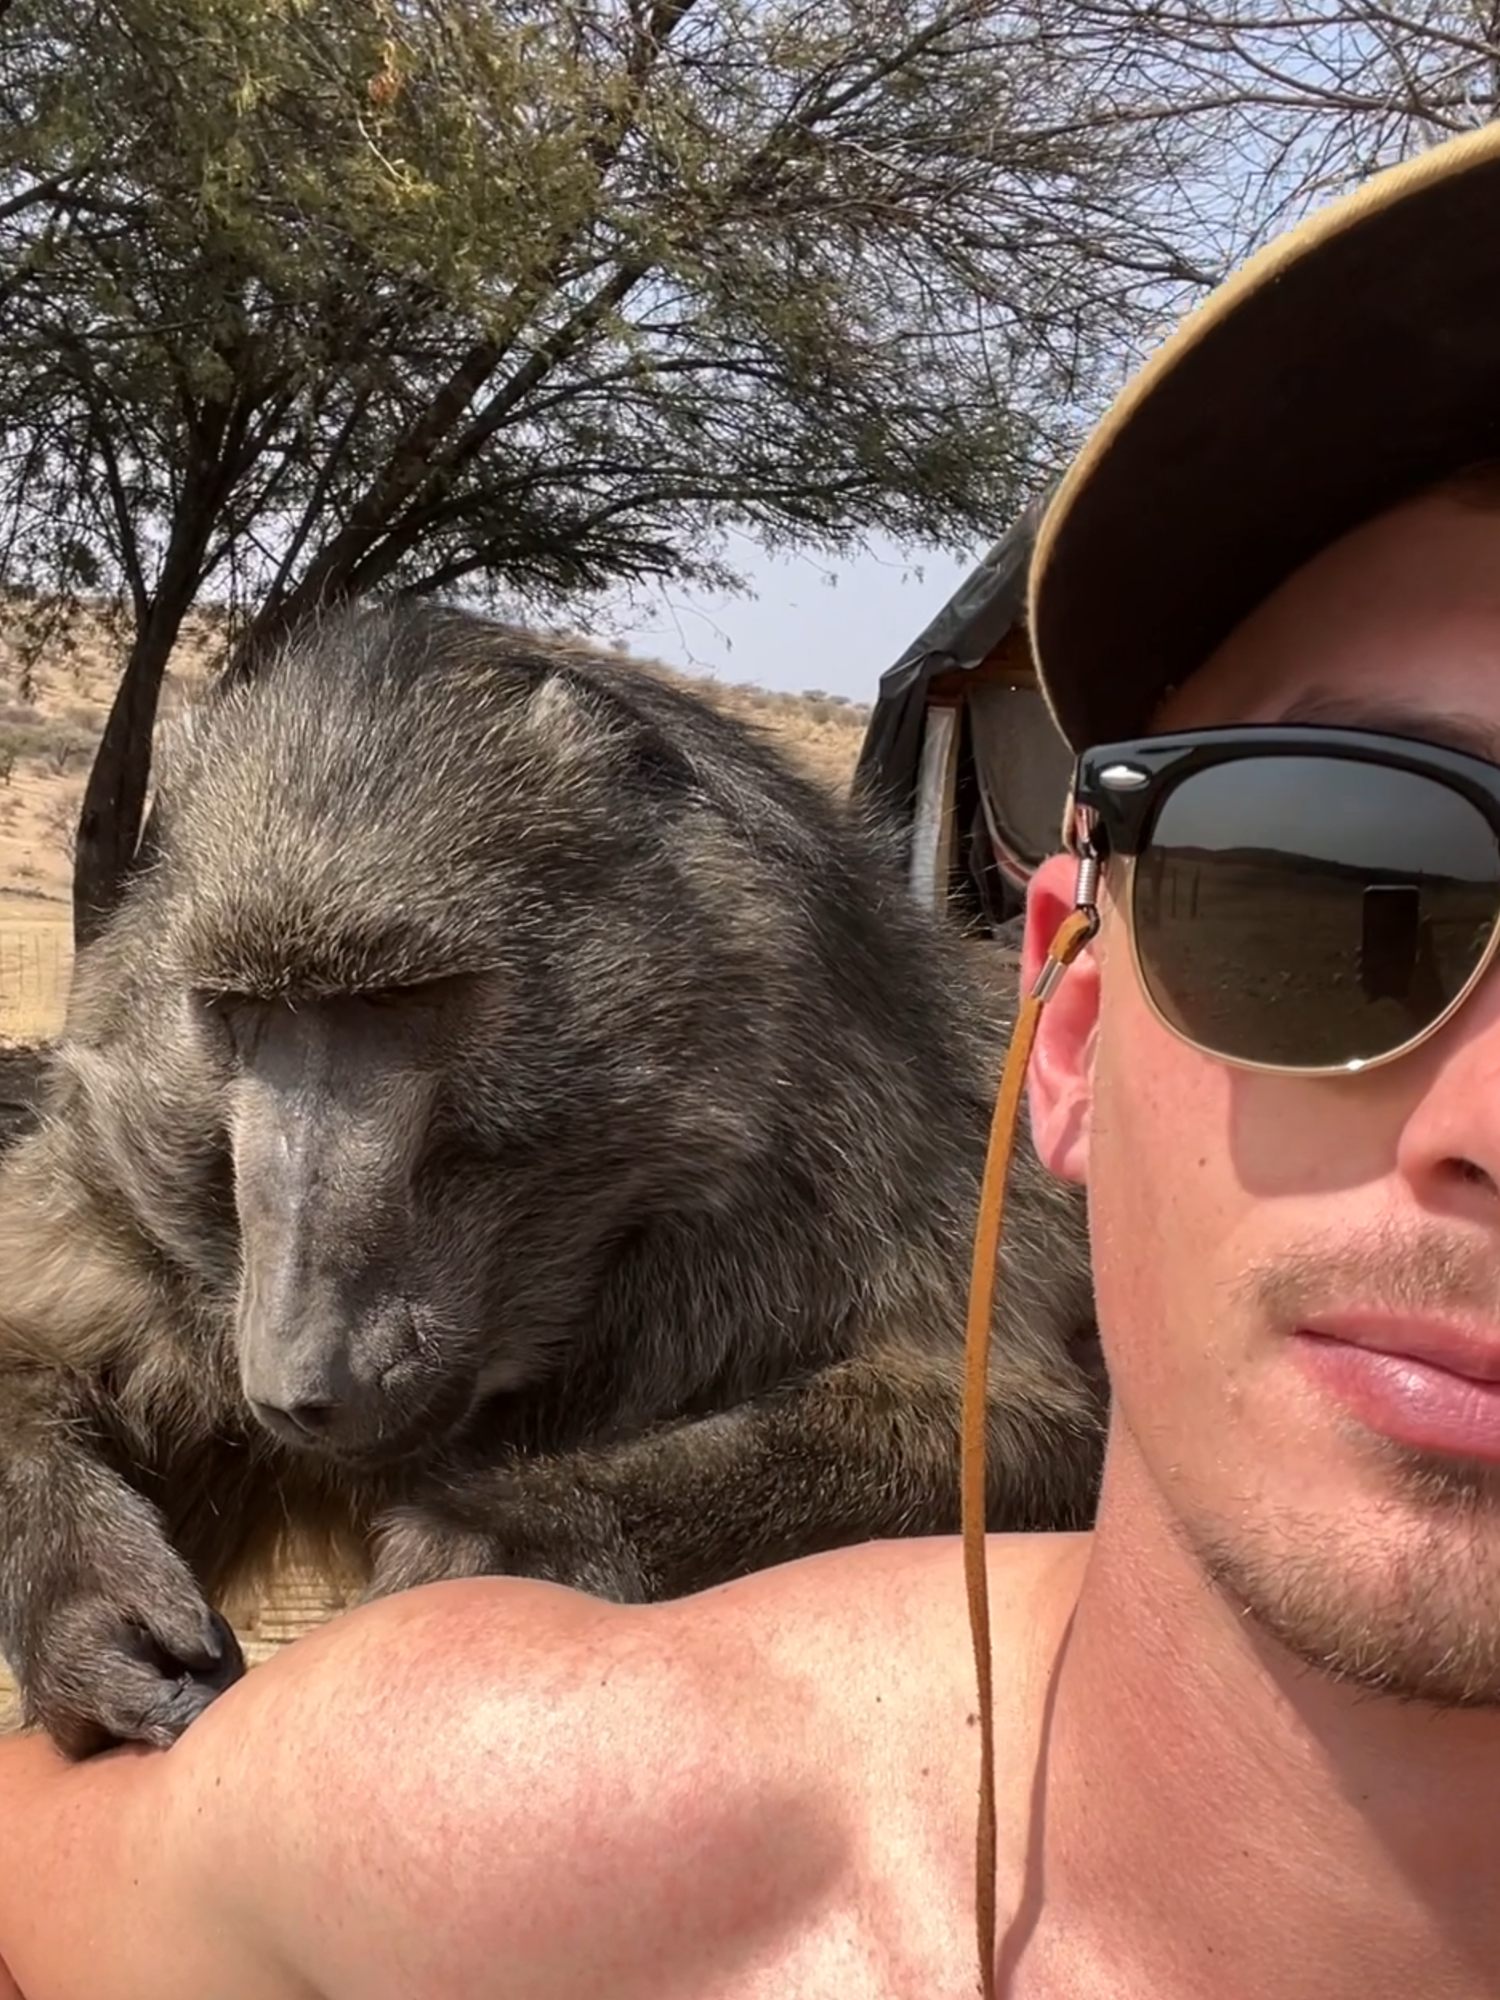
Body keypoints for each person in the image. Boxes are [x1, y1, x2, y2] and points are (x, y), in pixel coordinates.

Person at [10, 115, 1500, 2000]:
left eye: (393, 1026)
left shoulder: (825, 1086)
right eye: (1342, 873)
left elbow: (986, 1419)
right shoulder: (428, 1817)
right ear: (1077, 1030)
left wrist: (582, 1530)